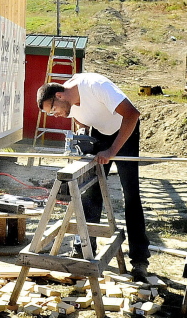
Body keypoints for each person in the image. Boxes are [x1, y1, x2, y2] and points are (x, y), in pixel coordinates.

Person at [37, 73, 151, 280]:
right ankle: (85, 249)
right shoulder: (69, 102)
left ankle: (140, 259)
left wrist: (111, 152)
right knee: (90, 193)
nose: (56, 115)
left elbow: (133, 114)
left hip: (125, 131)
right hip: (100, 133)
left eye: (53, 110)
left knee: (131, 194)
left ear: (60, 96)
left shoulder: (96, 86)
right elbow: (81, 119)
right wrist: (83, 137)